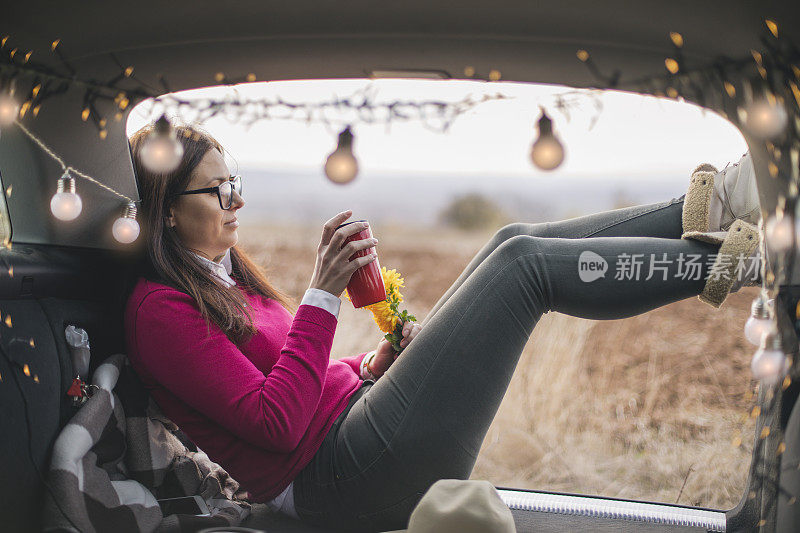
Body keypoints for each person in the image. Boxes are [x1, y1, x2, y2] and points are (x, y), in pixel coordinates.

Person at [123, 124, 761, 532]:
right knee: (523, 271)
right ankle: (742, 263)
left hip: (353, 427)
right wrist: (321, 296)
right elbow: (277, 422)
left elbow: (303, 386)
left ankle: (709, 208)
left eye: (237, 184)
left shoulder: (223, 277)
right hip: (338, 478)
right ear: (168, 214)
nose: (237, 201)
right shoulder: (159, 312)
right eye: (217, 191)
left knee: (509, 240)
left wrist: (371, 366)